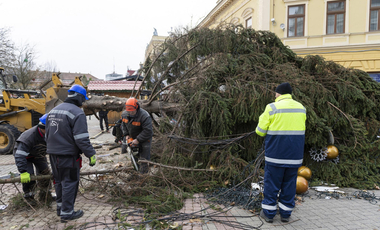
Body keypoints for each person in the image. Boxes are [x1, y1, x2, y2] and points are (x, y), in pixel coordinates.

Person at [255, 82, 306, 223]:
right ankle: (285, 215)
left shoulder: (272, 107)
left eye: (275, 92)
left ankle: (269, 214)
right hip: (295, 156)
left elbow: (260, 131)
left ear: (279, 93)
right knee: (289, 185)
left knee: (271, 184)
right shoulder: (301, 108)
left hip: (276, 155)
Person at [45, 84, 96, 223]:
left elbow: (47, 134)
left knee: (60, 182)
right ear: (79, 97)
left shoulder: (53, 111)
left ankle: (60, 208)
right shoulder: (77, 113)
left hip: (53, 154)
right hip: (68, 155)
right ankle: (67, 213)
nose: (83, 102)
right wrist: (91, 154)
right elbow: (81, 139)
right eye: (83, 99)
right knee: (70, 182)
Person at [14, 114, 50, 205]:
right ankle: (29, 198)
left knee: (45, 172)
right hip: (24, 156)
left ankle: (45, 196)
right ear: (44, 128)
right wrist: (23, 171)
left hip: (38, 154)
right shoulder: (29, 137)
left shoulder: (48, 133)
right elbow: (19, 156)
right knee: (29, 176)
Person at [121, 97, 153, 174]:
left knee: (144, 157)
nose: (130, 113)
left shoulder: (144, 116)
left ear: (136, 107)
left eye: (132, 111)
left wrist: (138, 140)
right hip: (133, 137)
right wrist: (126, 134)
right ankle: (136, 171)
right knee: (134, 156)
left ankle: (143, 174)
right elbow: (123, 125)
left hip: (145, 138)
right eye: (129, 111)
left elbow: (148, 131)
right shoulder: (125, 114)